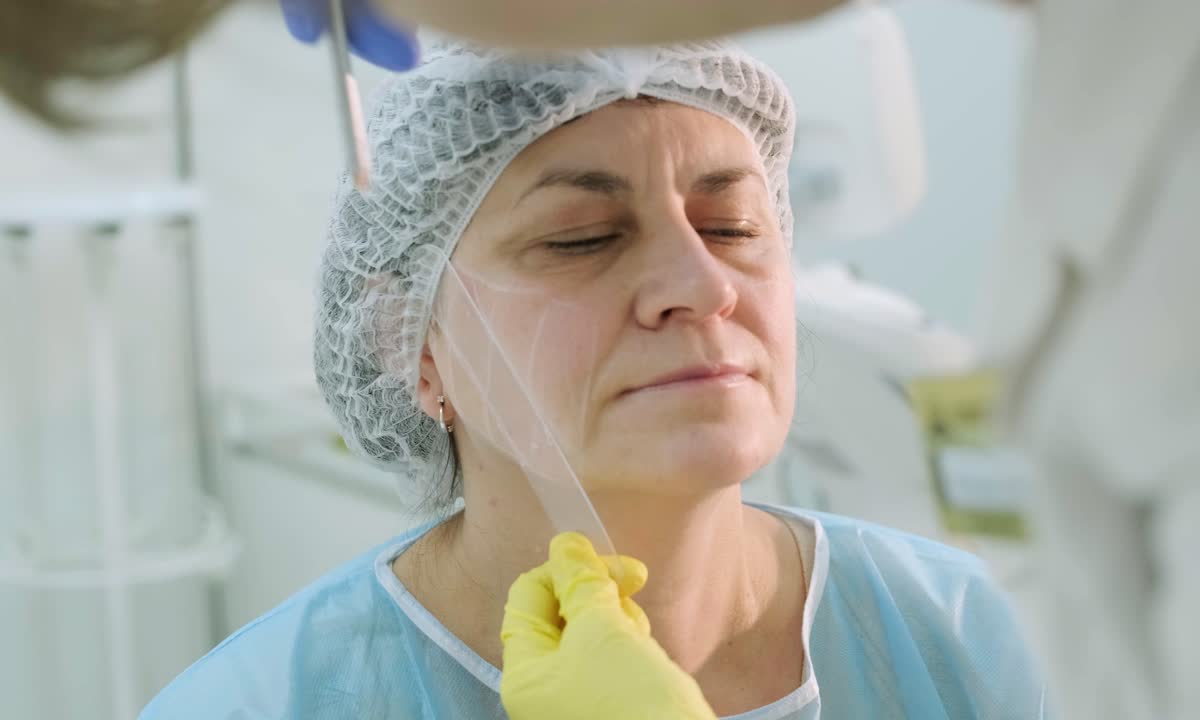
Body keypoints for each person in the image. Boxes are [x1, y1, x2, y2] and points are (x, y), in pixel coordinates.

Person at [139, 41, 1046, 719]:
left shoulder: (982, 639)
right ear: (405, 343)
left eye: (731, 225)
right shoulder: (268, 703)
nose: (703, 286)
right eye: (582, 238)